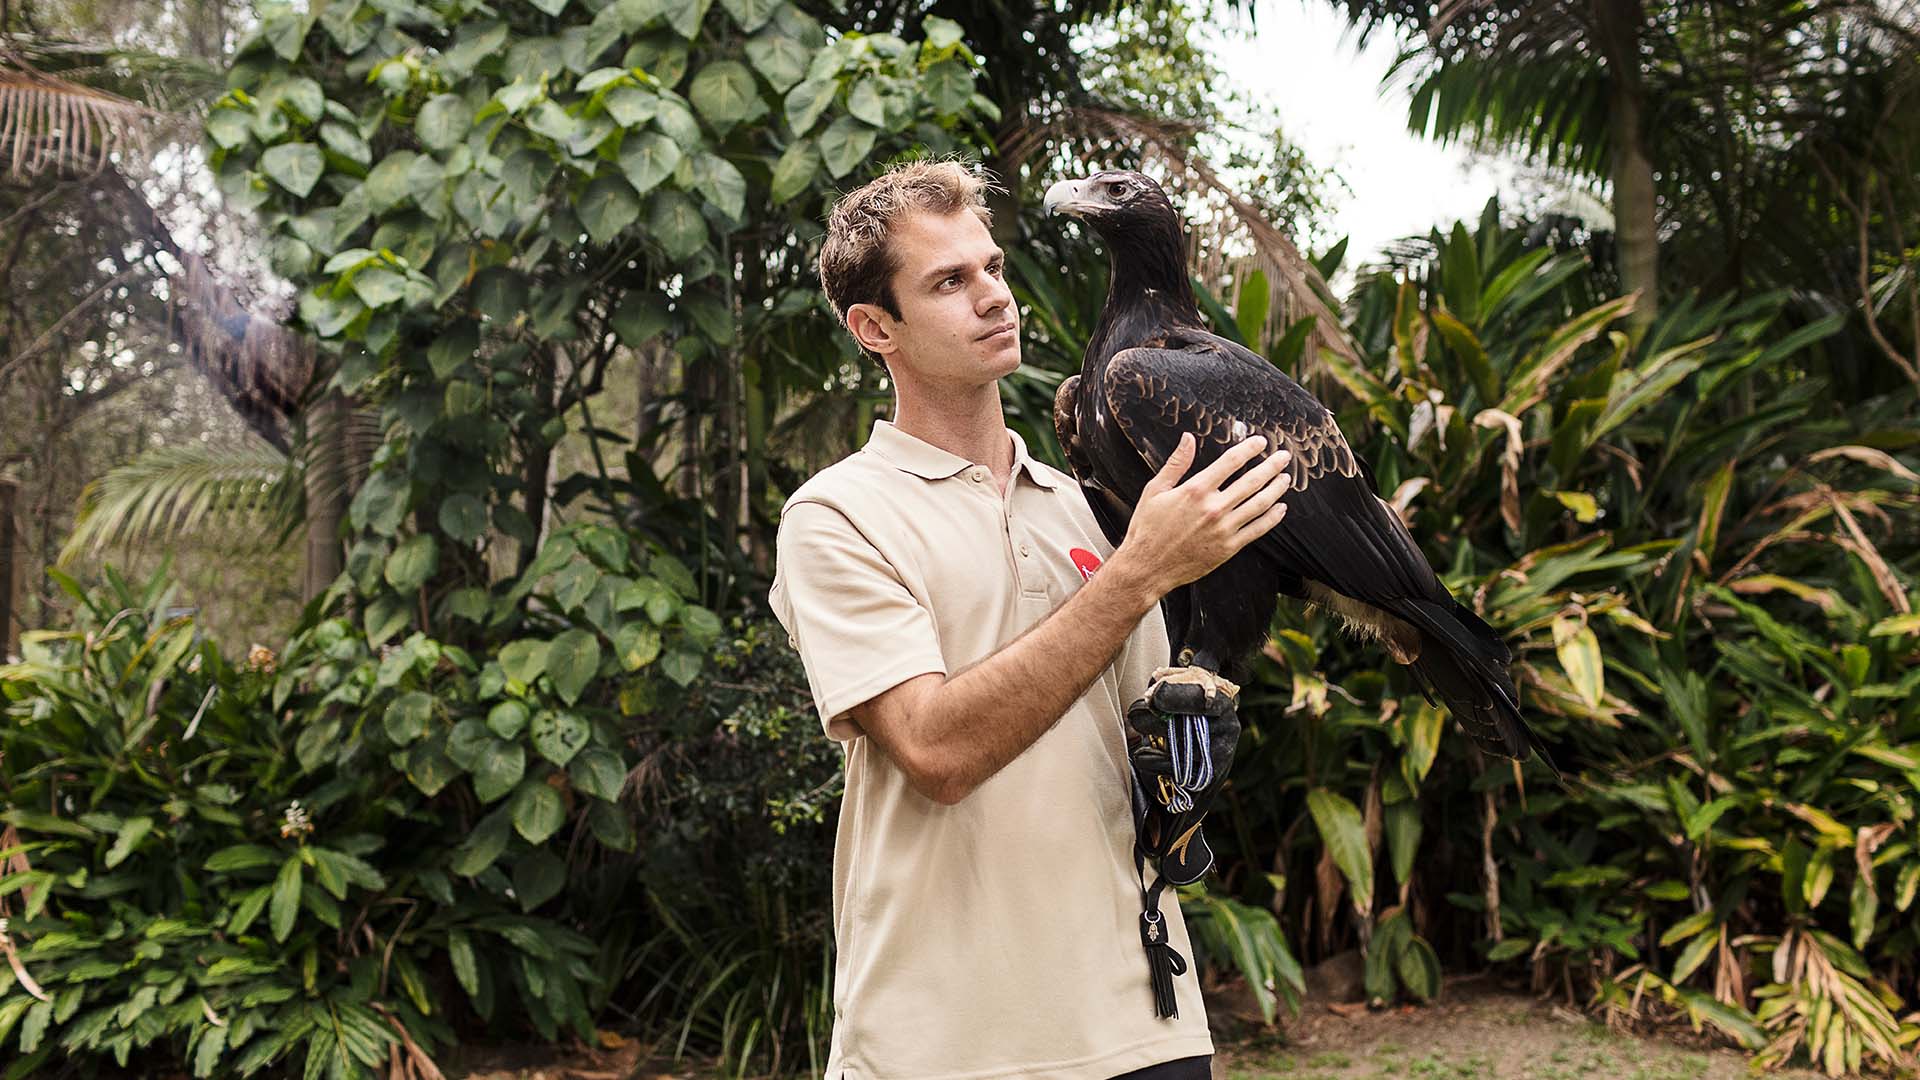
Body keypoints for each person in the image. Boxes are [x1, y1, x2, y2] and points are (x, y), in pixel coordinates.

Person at [768, 159, 1294, 1080]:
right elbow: (934, 752)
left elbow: (1136, 750)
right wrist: (1135, 578)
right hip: (948, 1040)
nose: (992, 298)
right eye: (949, 281)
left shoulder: (1092, 503)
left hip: (1145, 1021)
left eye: (995, 269)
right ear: (873, 327)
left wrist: (1189, 750)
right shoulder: (838, 517)